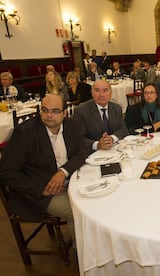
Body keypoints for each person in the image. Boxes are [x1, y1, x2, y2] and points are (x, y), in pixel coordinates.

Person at [0, 93, 88, 240]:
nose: (49, 115)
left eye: (55, 111)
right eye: (45, 110)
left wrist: (62, 172)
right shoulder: (25, 133)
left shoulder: (72, 124)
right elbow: (5, 172)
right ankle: (83, 255)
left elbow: (81, 152)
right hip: (38, 192)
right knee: (79, 212)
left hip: (69, 180)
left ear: (64, 113)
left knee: (96, 201)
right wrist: (41, 188)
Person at [73, 79, 128, 152]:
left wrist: (112, 138)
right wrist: (97, 145)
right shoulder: (81, 111)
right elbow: (78, 139)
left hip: (115, 150)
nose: (101, 94)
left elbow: (123, 129)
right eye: (97, 91)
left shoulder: (117, 108)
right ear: (91, 92)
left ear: (111, 93)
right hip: (92, 154)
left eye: (105, 91)